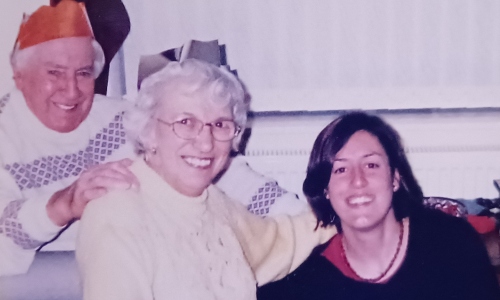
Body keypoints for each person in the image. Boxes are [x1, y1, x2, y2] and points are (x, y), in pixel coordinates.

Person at [0, 0, 305, 278]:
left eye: (83, 73)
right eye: (54, 73)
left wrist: (303, 221)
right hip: (38, 281)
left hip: (140, 265)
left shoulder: (119, 118)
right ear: (19, 74)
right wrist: (61, 205)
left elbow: (219, 170)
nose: (71, 90)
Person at [76, 59, 335, 299]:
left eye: (220, 124)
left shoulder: (214, 202)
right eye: (186, 122)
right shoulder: (117, 215)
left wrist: (348, 207)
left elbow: (281, 241)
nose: (205, 142)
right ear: (149, 131)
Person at [258, 112, 500, 300]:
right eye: (340, 169)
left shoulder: (451, 243)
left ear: (395, 178)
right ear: (325, 190)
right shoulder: (308, 279)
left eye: (371, 165)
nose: (358, 180)